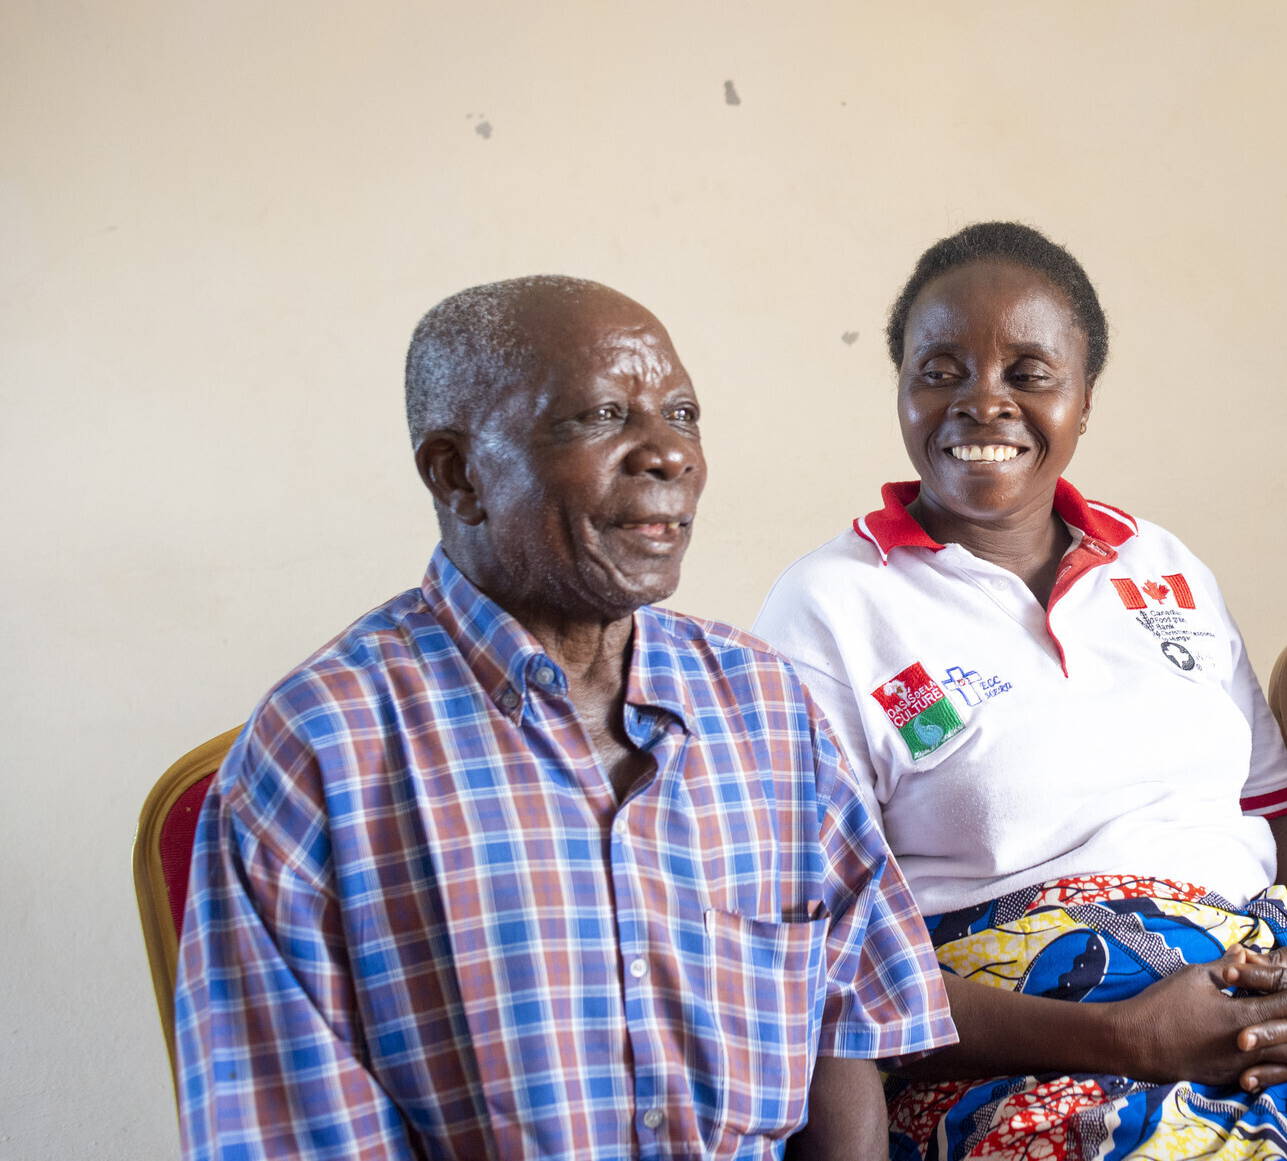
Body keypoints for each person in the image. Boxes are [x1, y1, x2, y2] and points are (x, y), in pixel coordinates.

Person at [753, 223, 1287, 1161]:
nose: (982, 403)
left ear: (1083, 398)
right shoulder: (829, 603)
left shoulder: (1163, 564)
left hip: (1267, 998)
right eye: (940, 369)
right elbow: (827, 952)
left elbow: (1276, 815)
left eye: (1028, 373)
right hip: (1025, 1050)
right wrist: (1123, 1038)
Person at [174, 276, 956, 1161]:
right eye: (600, 416)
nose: (670, 454)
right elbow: (296, 1134)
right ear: (457, 473)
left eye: (684, 414)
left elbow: (847, 1020)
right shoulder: (320, 750)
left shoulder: (763, 707)